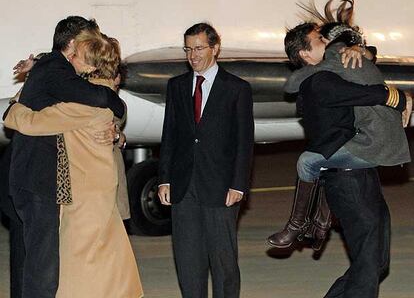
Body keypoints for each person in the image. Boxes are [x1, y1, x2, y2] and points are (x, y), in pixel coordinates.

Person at [4, 31, 143, 298]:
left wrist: (15, 104)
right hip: (96, 185)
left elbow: (28, 122)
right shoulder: (99, 95)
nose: (70, 56)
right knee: (102, 252)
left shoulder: (81, 105)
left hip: (84, 191)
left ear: (90, 64)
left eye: (75, 54)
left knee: (79, 259)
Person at [279, 21, 411, 297]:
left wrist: (360, 49)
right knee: (368, 266)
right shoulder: (318, 81)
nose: (327, 42)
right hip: (347, 179)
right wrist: (397, 97)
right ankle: (297, 222)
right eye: (319, 40)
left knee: (376, 262)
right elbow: (365, 93)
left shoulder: (329, 71)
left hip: (359, 171)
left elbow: (356, 62)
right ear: (305, 53)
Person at [157, 22, 254, 298]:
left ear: (216, 48)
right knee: (188, 262)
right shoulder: (175, 86)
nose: (193, 55)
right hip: (183, 186)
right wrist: (164, 178)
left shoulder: (237, 88)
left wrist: (238, 185)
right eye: (188, 49)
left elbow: (244, 141)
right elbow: (170, 136)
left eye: (199, 48)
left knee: (223, 262)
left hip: (221, 187)